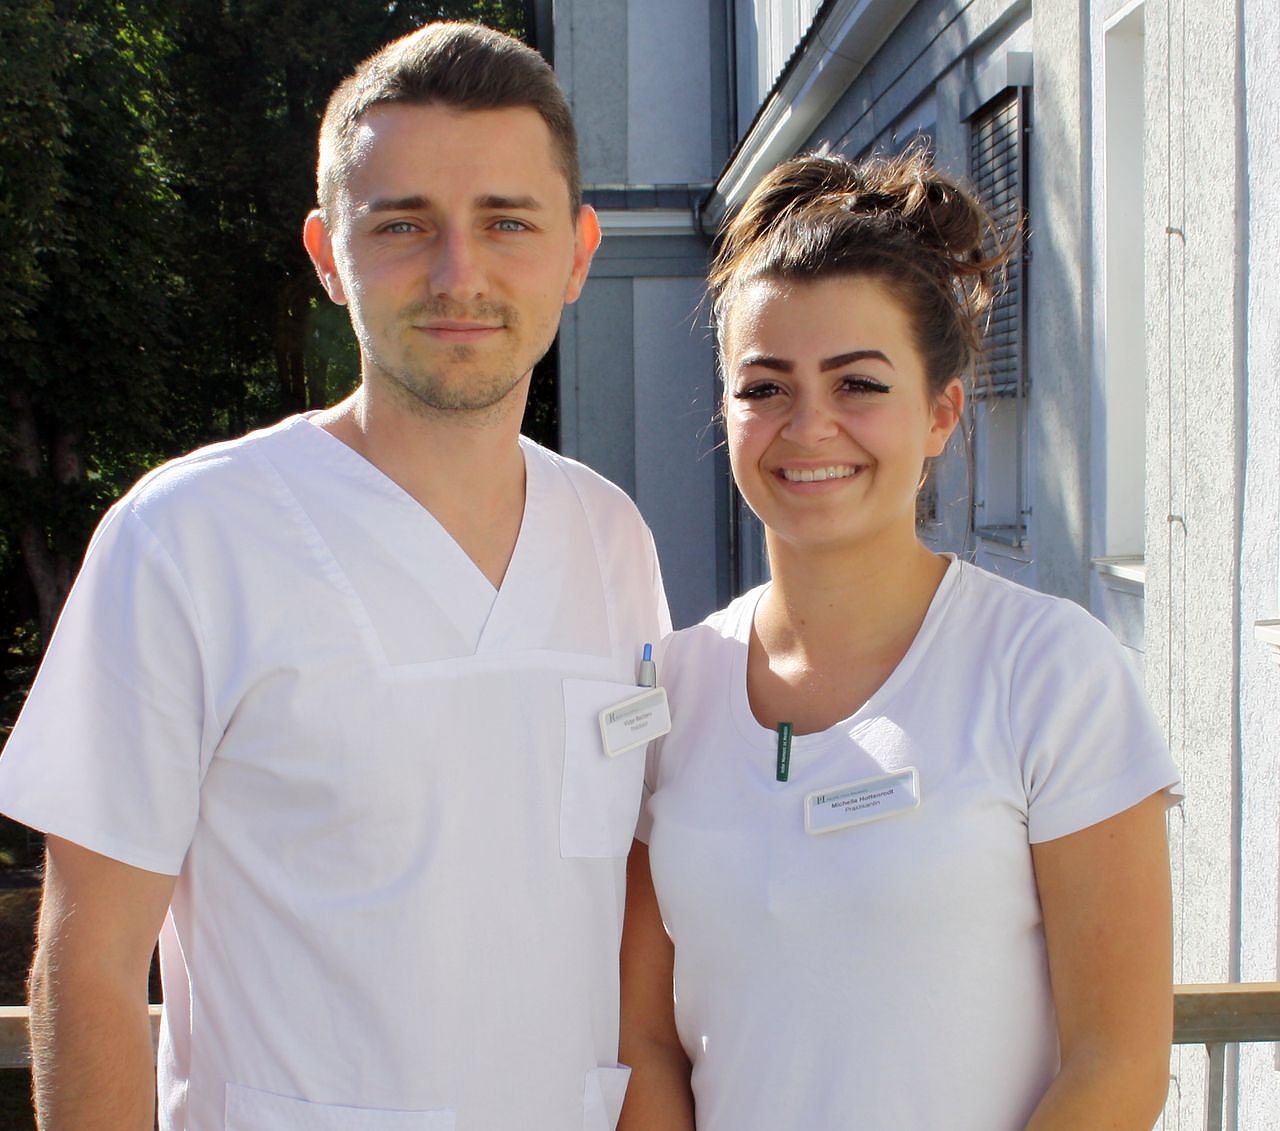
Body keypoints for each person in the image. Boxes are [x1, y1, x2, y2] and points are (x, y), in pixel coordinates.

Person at [0, 21, 669, 1131]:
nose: (459, 273)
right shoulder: (188, 538)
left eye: (506, 221)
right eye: (403, 224)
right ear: (326, 253)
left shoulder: (611, 538)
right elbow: (91, 963)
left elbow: (632, 910)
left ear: (576, 253)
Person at [618, 148, 1181, 1131]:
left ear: (940, 413)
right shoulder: (668, 690)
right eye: (765, 388)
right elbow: (645, 1043)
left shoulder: (1047, 670)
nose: (809, 427)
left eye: (859, 385)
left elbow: (1119, 1063)